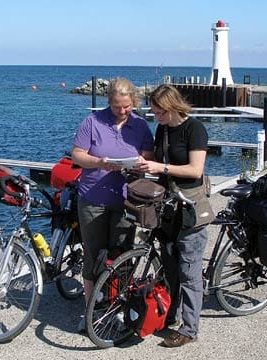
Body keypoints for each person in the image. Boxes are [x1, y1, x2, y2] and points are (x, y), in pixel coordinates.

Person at [71, 77, 154, 331]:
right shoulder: (93, 122)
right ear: (110, 102)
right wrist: (99, 162)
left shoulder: (140, 124)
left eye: (127, 106)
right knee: (93, 255)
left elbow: (149, 154)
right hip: (93, 198)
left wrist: (140, 161)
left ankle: (116, 307)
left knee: (122, 254)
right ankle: (90, 310)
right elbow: (77, 153)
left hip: (126, 199)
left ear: (134, 102)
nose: (122, 111)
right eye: (117, 107)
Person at [134, 84, 209, 347]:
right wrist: (143, 162)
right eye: (154, 113)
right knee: (170, 268)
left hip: (190, 208)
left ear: (173, 106)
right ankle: (171, 314)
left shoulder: (194, 129)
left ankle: (189, 329)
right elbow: (158, 162)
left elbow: (195, 170)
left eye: (160, 113)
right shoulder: (163, 129)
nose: (157, 118)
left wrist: (160, 166)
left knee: (189, 271)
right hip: (168, 208)